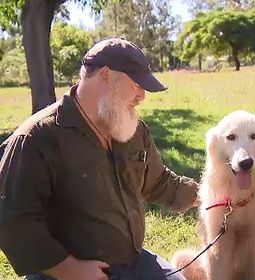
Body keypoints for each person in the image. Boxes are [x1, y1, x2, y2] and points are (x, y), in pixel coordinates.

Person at [0, 38, 198, 280]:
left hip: (133, 262)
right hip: (67, 272)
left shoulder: (132, 129)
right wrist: (69, 269)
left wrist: (208, 195)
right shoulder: (37, 138)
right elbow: (13, 218)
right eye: (137, 84)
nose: (142, 96)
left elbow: (158, 182)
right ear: (105, 75)